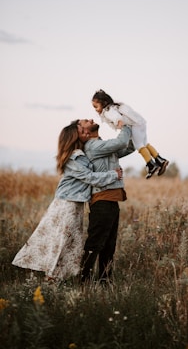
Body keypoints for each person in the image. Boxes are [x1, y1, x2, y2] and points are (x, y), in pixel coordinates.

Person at [12, 120, 122, 283]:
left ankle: (59, 275)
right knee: (61, 240)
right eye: (81, 130)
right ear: (73, 135)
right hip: (67, 204)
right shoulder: (73, 157)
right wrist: (113, 174)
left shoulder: (82, 153)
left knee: (69, 241)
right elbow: (89, 177)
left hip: (75, 205)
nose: (85, 131)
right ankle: (52, 277)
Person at [77, 119, 134, 284]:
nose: (91, 119)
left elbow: (129, 146)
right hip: (102, 200)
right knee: (95, 243)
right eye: (85, 122)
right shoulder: (93, 146)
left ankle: (104, 281)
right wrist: (126, 124)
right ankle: (83, 281)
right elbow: (122, 141)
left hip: (111, 200)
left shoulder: (103, 146)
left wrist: (138, 133)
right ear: (85, 133)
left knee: (109, 245)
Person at [91, 89, 169, 179]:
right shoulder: (115, 106)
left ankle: (151, 165)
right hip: (140, 122)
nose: (96, 110)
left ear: (104, 103)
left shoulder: (108, 111)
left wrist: (120, 125)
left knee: (139, 145)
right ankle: (160, 160)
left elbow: (117, 118)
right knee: (145, 144)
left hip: (135, 125)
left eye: (96, 107)